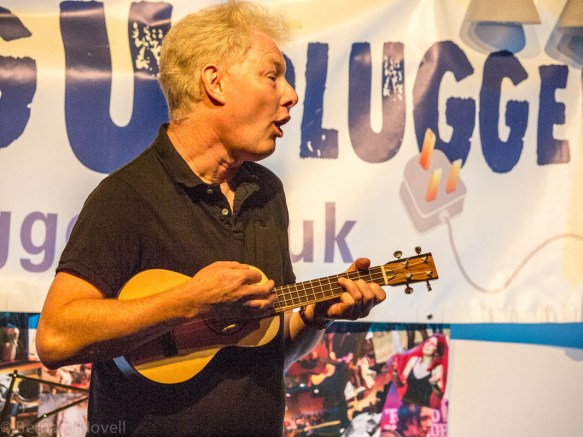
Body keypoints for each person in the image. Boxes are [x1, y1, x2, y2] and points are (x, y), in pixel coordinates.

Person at [35, 1, 386, 435]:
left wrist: (317, 316)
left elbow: (262, 353)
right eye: (272, 75)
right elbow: (55, 339)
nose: (291, 94)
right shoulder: (128, 196)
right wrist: (191, 301)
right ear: (214, 82)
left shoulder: (266, 194)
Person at [391, 334, 447, 409]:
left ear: (436, 350)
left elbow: (440, 395)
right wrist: (395, 373)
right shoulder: (413, 360)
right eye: (428, 341)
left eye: (432, 344)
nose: (428, 345)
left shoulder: (437, 368)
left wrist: (434, 385)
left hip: (423, 409)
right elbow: (401, 385)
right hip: (405, 405)